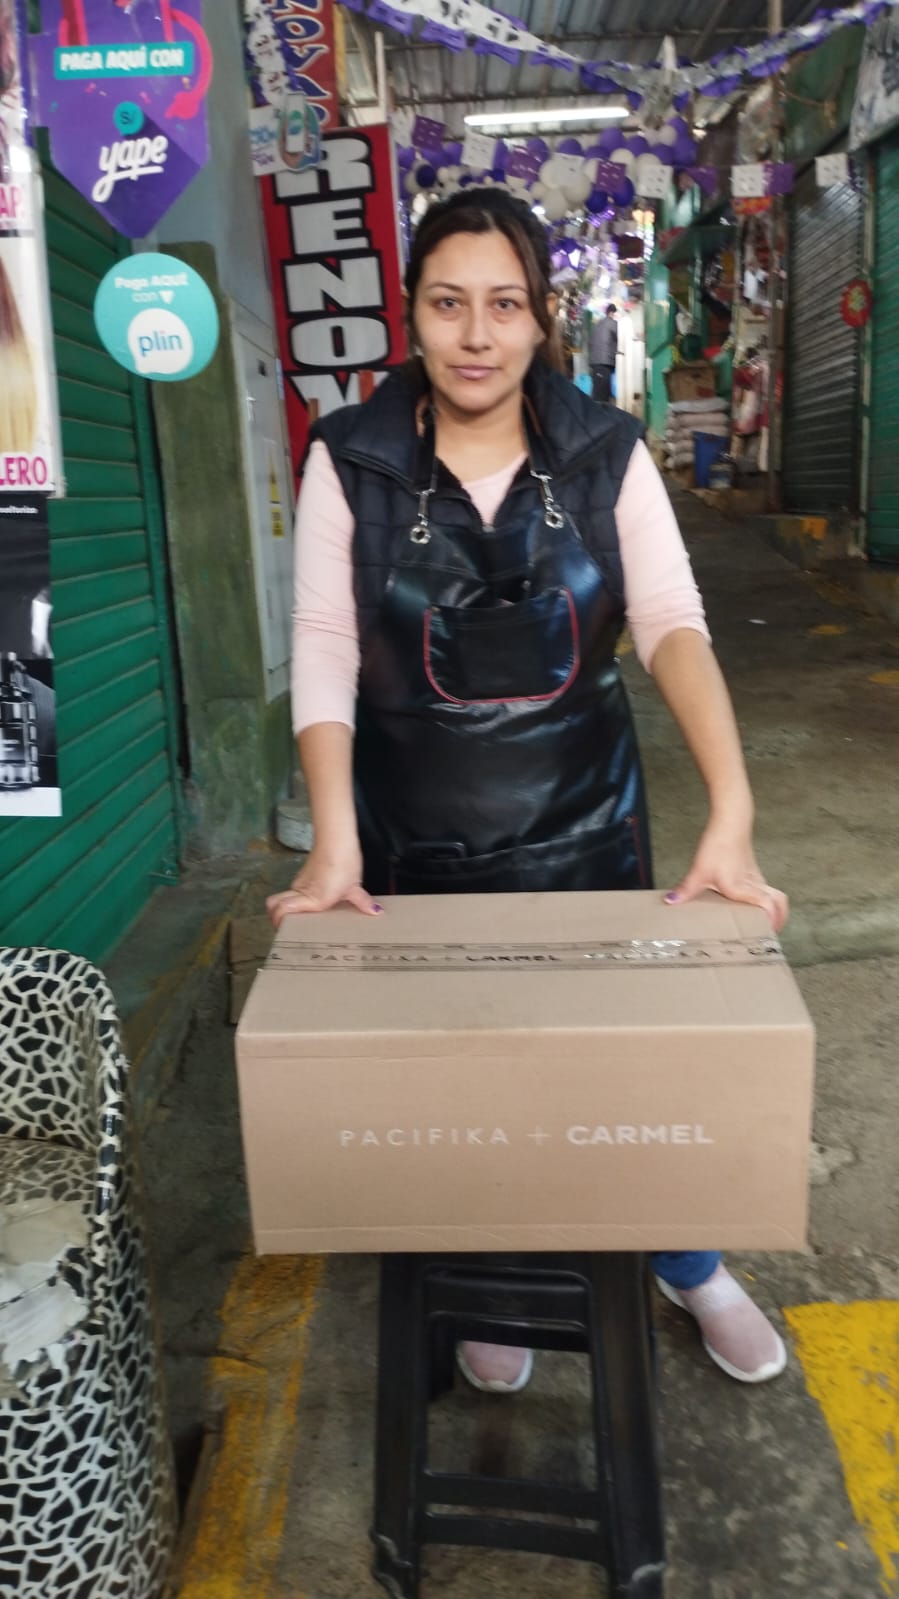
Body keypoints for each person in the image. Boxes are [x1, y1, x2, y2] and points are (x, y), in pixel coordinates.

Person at [268, 188, 789, 1394]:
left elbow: (669, 623)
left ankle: (685, 1259)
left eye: (503, 305)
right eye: (446, 304)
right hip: (415, 841)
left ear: (542, 315)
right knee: (458, 1076)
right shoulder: (350, 458)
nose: (475, 335)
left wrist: (732, 810)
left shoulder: (603, 451)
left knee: (627, 1069)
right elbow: (325, 645)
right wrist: (335, 839)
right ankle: (496, 1271)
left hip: (583, 830)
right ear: (409, 314)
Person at [590, 302, 618, 403]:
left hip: (595, 361)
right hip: (605, 361)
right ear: (612, 313)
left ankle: (596, 409)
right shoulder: (612, 323)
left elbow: (591, 341)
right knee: (603, 393)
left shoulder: (597, 324)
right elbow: (621, 337)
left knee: (597, 390)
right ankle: (600, 410)